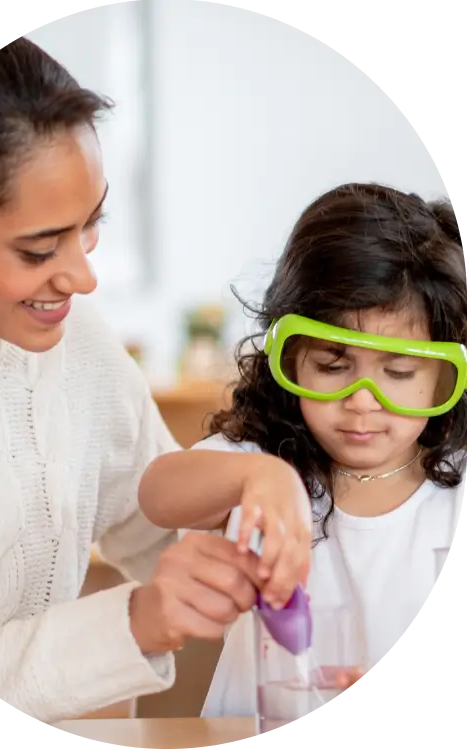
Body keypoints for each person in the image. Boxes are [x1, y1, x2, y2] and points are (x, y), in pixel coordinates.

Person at [0, 38, 312, 723]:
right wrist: (134, 624)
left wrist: (260, 489)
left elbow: (159, 518)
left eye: (91, 224)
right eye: (39, 248)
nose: (82, 276)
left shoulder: (75, 347)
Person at [139, 182, 467, 718]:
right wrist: (261, 480)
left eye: (400, 373)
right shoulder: (262, 462)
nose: (362, 402)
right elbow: (158, 492)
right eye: (333, 367)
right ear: (289, 361)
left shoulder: (455, 490)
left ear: (444, 375)